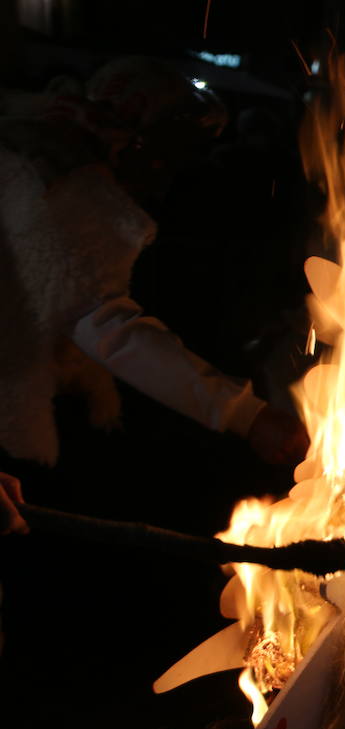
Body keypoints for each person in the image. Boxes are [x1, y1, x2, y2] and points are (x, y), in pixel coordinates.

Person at [0, 56, 308, 468]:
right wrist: (247, 415)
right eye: (174, 147)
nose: (170, 171)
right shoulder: (63, 183)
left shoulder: (28, 145)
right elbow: (102, 321)